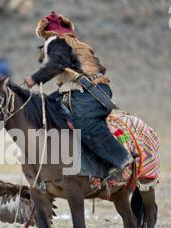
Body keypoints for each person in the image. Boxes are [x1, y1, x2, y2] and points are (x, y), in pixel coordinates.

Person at [24, 11, 133, 174]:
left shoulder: (57, 42)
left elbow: (58, 64)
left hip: (90, 93)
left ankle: (122, 160)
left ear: (46, 33)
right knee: (44, 108)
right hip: (79, 92)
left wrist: (34, 79)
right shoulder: (73, 43)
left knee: (85, 124)